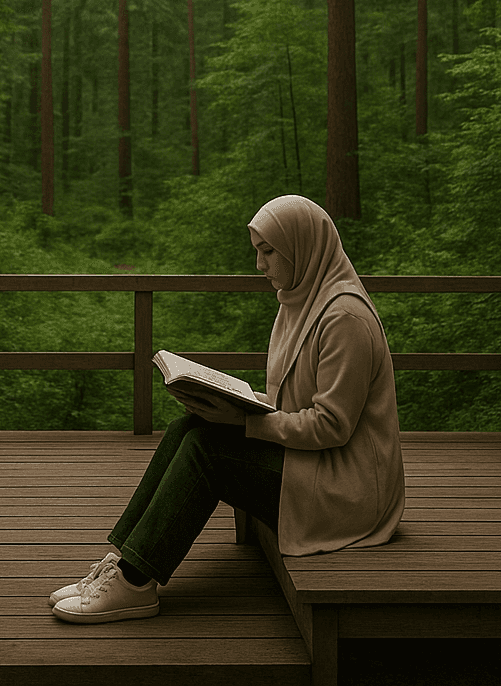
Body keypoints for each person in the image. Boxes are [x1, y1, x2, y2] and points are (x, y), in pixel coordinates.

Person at [49, 194, 406, 624]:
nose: (260, 265)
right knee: (188, 428)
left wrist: (243, 421)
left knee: (208, 452)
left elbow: (332, 426)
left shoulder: (344, 318)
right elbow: (293, 401)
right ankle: (124, 561)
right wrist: (234, 405)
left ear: (302, 246)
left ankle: (135, 583)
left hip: (348, 489)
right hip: (312, 463)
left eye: (268, 251)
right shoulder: (299, 300)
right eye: (258, 251)